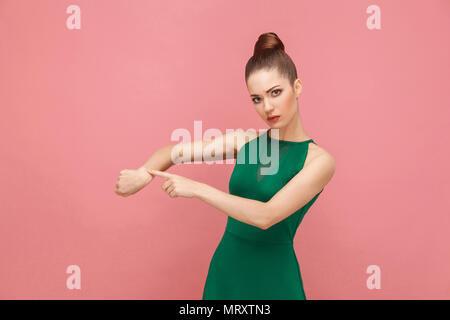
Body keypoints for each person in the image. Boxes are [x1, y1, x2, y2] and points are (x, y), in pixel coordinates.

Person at [114, 32, 336, 300]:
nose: (267, 107)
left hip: (274, 279)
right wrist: (143, 173)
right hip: (227, 271)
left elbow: (266, 216)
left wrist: (197, 188)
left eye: (275, 92)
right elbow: (172, 153)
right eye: (256, 98)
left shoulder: (319, 161)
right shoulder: (245, 142)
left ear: (297, 87)